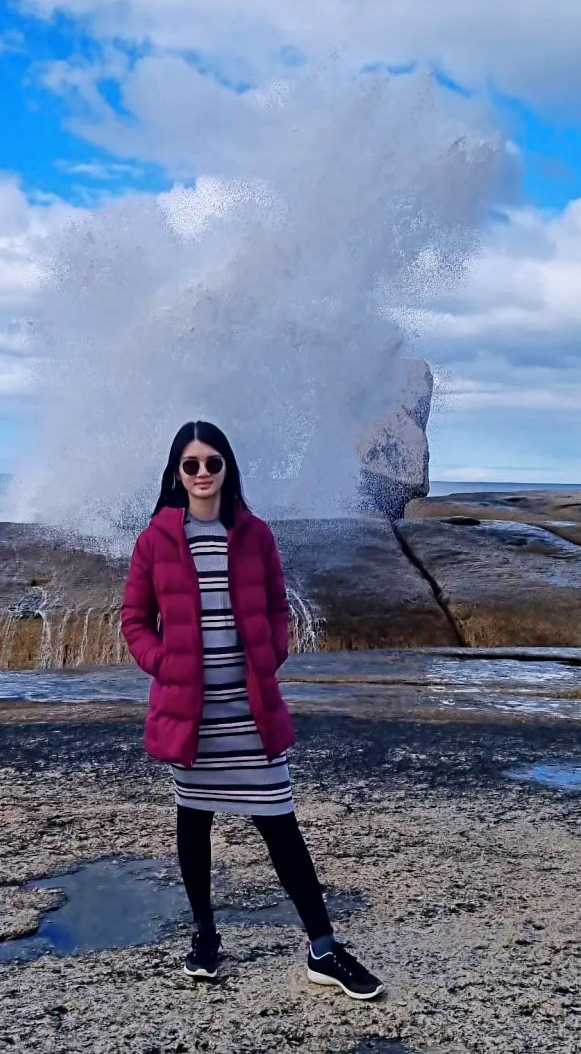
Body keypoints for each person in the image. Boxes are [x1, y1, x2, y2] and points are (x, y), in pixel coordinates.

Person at [121, 420, 385, 999]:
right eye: (191, 465)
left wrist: (270, 654)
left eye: (212, 463)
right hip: (192, 712)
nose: (202, 474)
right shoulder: (156, 539)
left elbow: (276, 608)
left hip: (249, 709)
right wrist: (164, 663)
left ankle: (322, 947)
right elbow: (134, 621)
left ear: (227, 468)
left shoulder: (255, 534)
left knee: (280, 823)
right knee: (194, 824)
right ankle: (205, 938)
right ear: (176, 473)